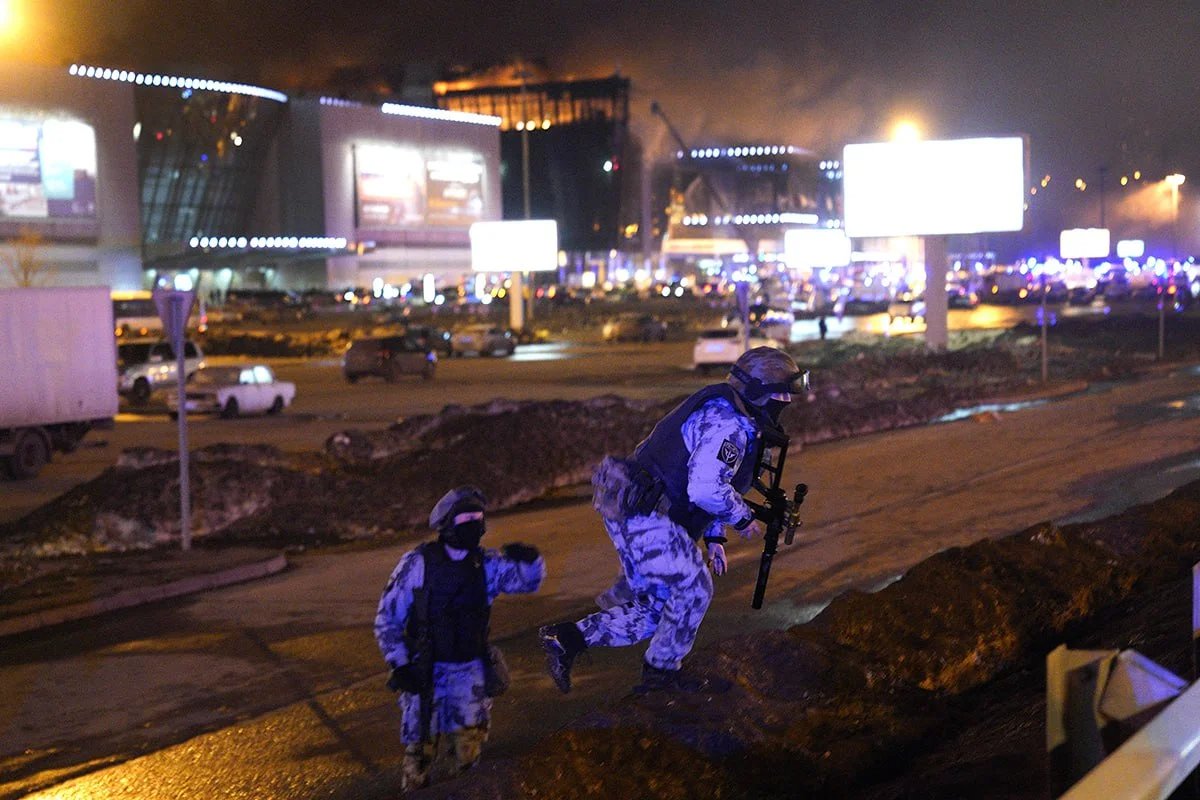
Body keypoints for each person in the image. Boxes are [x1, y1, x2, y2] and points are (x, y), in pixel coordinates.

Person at [539, 346, 808, 694]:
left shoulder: (731, 415)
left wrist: (714, 538)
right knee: (694, 590)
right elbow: (706, 488)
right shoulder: (727, 424)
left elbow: (708, 482)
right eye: (781, 392)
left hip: (640, 512)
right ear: (757, 391)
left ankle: (567, 639)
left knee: (657, 610)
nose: (786, 400)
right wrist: (742, 518)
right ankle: (661, 676)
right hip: (647, 516)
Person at [375, 486, 545, 793]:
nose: (473, 524)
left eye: (478, 518)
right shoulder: (418, 564)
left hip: (469, 675)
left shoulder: (486, 564)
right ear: (446, 523)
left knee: (467, 761)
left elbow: (527, 583)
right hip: (425, 673)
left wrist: (531, 560)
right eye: (465, 518)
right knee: (418, 760)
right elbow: (387, 619)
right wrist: (400, 665)